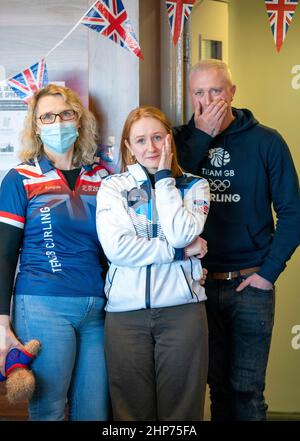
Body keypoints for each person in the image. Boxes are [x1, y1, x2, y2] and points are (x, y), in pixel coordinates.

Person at [173, 59, 300, 421]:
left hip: (251, 283)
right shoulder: (179, 141)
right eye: (199, 92)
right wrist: (201, 137)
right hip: (196, 284)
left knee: (248, 392)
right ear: (190, 96)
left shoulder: (267, 142)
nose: (208, 99)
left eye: (216, 90)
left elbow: (292, 212)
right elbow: (165, 193)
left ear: (232, 92)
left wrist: (268, 274)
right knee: (216, 389)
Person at [0, 84, 110, 421]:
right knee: (48, 409)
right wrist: (2, 323)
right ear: (36, 125)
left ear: (79, 119)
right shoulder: (20, 178)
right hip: (42, 305)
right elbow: (4, 255)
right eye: (47, 116)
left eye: (65, 113)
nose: (57, 121)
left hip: (98, 309)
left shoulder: (104, 176)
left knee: (94, 411)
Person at [96, 106, 210, 421]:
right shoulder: (113, 187)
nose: (151, 147)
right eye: (141, 140)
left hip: (183, 312)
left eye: (158, 137)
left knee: (183, 412)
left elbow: (182, 232)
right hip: (124, 315)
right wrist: (178, 253)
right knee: (130, 413)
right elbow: (118, 250)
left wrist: (163, 180)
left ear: (169, 141)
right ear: (128, 147)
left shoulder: (195, 186)